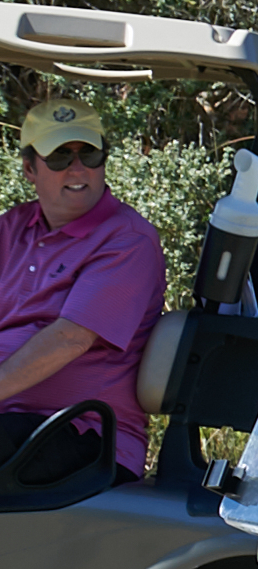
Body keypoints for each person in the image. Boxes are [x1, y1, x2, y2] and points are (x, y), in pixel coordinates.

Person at [0, 102, 169, 479]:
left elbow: (69, 339)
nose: (77, 169)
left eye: (88, 154)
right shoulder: (12, 229)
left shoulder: (127, 239)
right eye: (60, 156)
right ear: (30, 169)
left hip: (82, 434)